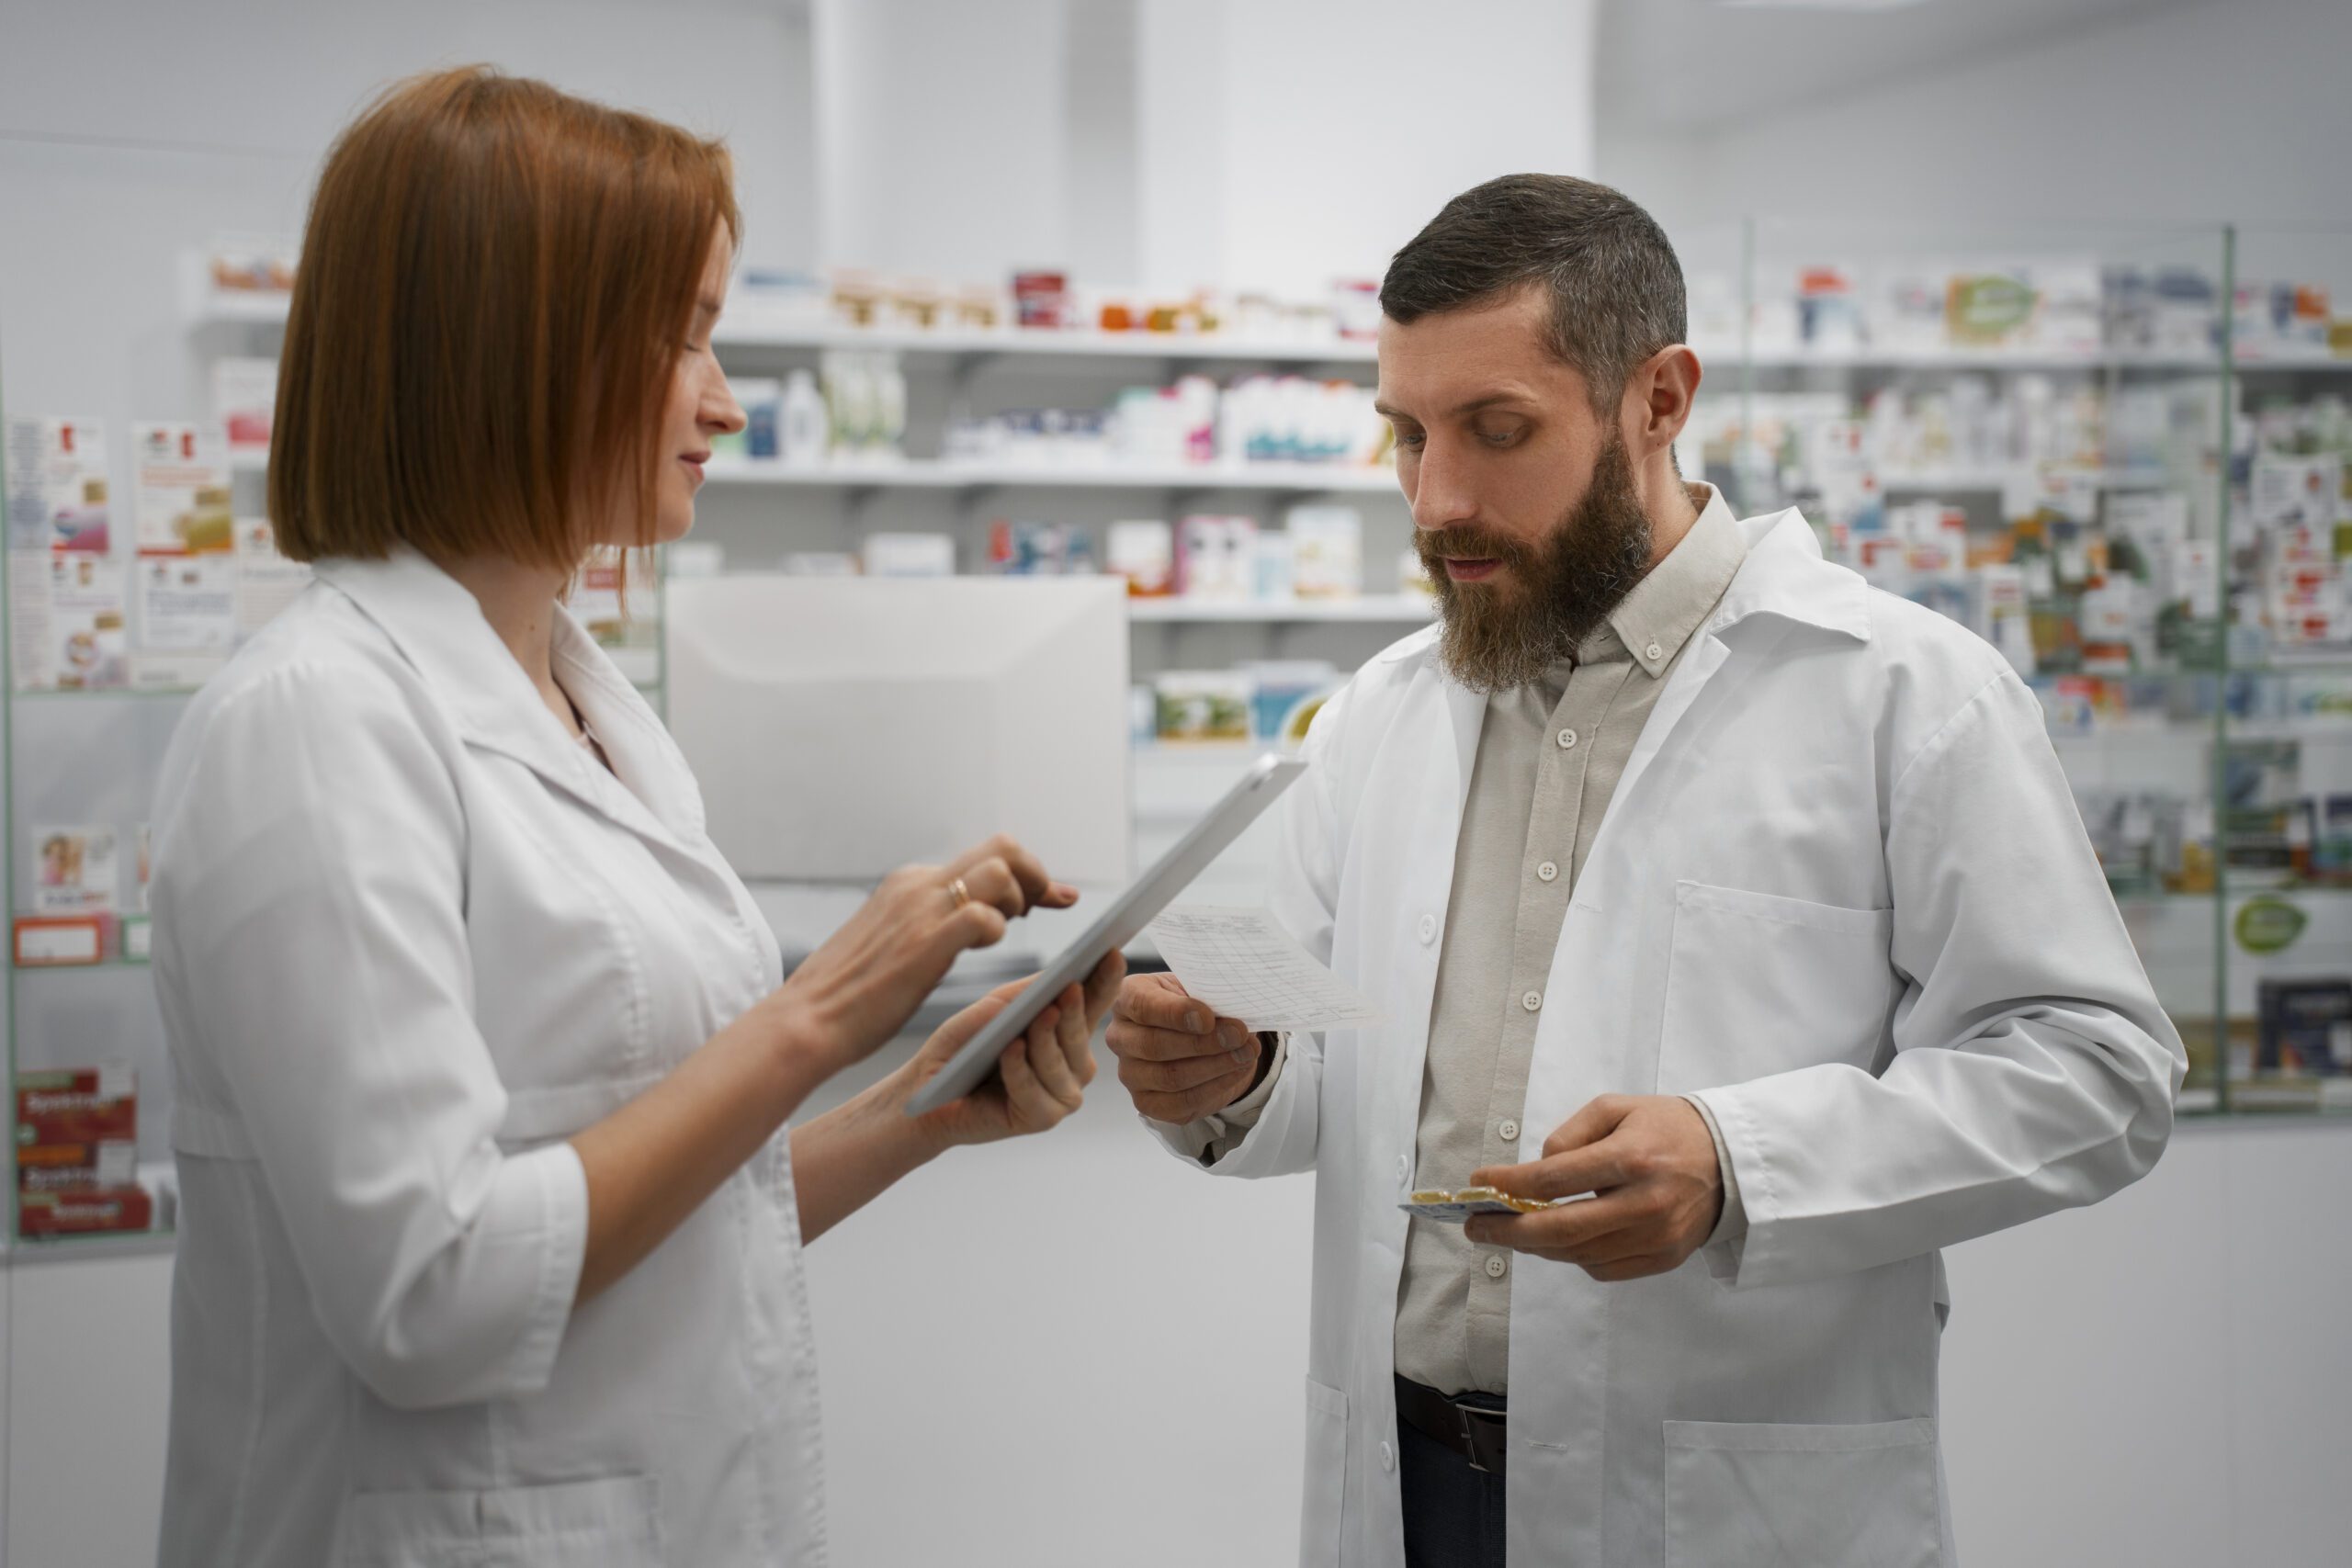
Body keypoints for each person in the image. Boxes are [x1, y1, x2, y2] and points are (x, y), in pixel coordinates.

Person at [1105, 175, 2183, 1568]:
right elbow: (1337, 1073)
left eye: (1500, 432)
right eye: (1408, 436)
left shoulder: (1902, 695)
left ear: (1660, 398)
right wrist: (1241, 1076)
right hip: (1409, 1480)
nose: (1438, 501)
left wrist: (1741, 1163)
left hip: (1716, 1508)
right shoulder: (1386, 709)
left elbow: (2100, 1069)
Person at [150, 66, 1117, 1567]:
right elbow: (436, 1295)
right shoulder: (317, 726)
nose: (723, 398)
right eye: (682, 336)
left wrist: (913, 1113)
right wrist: (817, 1016)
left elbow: (660, 1221)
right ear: (513, 349)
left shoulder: (597, 711)